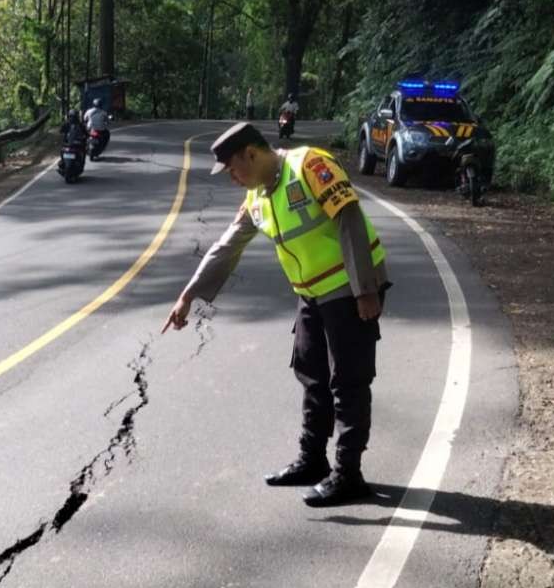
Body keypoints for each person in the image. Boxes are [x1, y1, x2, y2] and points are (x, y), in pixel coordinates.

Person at [162, 122, 390, 507]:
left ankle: (348, 473)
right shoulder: (257, 197)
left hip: (349, 289)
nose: (232, 179)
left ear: (251, 153)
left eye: (233, 169)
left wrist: (364, 290)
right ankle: (312, 460)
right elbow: (226, 246)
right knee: (311, 374)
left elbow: (349, 220)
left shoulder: (310, 165)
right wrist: (189, 294)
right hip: (311, 294)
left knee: (348, 381)